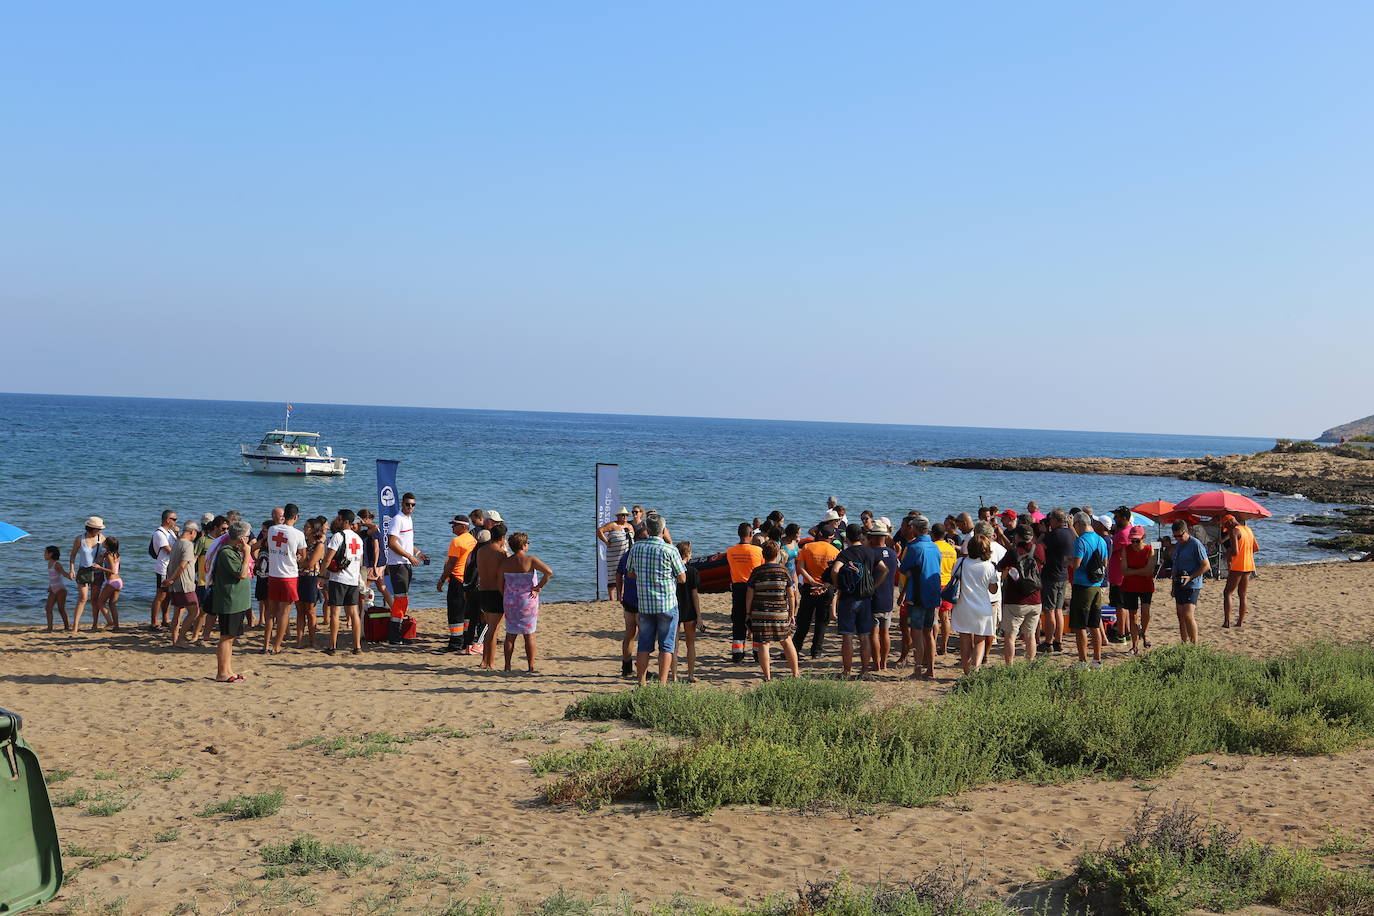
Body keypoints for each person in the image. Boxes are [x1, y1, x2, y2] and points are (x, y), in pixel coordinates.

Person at [625, 514, 686, 686]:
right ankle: (662, 684)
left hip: (645, 603)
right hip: (666, 603)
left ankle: (641, 682)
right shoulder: (670, 549)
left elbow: (629, 573)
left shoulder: (637, 547)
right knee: (666, 645)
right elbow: (682, 578)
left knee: (644, 644)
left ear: (646, 529)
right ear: (663, 530)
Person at [829, 523, 887, 678]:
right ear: (861, 536)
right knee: (864, 635)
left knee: (847, 636)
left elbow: (835, 569)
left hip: (848, 598)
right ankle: (864, 671)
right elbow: (884, 569)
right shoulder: (870, 552)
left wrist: (837, 585)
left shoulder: (846, 554)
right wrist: (874, 586)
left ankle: (847, 671)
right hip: (865, 598)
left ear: (846, 538)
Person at [498, 532, 553, 672]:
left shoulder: (505, 562)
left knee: (510, 634)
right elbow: (548, 572)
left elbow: (500, 583)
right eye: (527, 543)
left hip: (510, 600)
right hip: (528, 600)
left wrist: (506, 594)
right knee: (529, 634)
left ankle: (507, 666)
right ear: (523, 545)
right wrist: (538, 587)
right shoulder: (530, 560)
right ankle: (531, 666)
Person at [745, 541, 800, 680]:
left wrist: (748, 614)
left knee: (763, 643)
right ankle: (795, 673)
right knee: (787, 641)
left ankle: (767, 676)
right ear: (777, 554)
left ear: (763, 555)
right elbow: (791, 595)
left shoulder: (757, 572)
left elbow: (749, 596)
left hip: (760, 612)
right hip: (780, 613)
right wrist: (792, 614)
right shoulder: (784, 571)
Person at [949, 534, 1000, 674]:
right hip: (982, 607)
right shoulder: (989, 567)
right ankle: (975, 669)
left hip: (963, 606)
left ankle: (966, 671)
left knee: (964, 640)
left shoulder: (961, 562)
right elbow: (993, 589)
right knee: (980, 639)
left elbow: (954, 578)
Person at [210, 521, 254, 682]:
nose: (249, 540)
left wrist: (243, 552)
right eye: (248, 537)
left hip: (237, 601)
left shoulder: (235, 550)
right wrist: (247, 553)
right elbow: (241, 574)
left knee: (231, 637)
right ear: (242, 538)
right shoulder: (226, 552)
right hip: (229, 600)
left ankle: (228, 670)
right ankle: (222, 673)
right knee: (226, 637)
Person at [898, 517, 942, 680]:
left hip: (918, 594)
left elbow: (903, 568)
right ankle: (930, 669)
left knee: (916, 633)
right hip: (932, 593)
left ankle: (917, 669)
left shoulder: (914, 547)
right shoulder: (935, 547)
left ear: (915, 528)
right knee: (928, 633)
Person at [385, 493, 429, 645]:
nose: (410, 507)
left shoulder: (408, 519)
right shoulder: (397, 519)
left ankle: (397, 633)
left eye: (413, 505)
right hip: (398, 564)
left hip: (405, 563)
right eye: (407, 504)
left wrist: (417, 553)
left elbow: (406, 543)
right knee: (401, 599)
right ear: (401, 504)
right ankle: (394, 636)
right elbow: (392, 543)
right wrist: (409, 557)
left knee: (403, 599)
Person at [319, 509, 364, 655]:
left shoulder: (338, 536)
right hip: (353, 579)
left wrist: (321, 576)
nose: (336, 521)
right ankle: (357, 646)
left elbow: (327, 558)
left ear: (345, 521)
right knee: (354, 613)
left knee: (335, 613)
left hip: (339, 579)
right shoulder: (358, 539)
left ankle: (332, 646)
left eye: (338, 519)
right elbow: (360, 560)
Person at [1067, 511, 1109, 668]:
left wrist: (1068, 561)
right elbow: (1105, 563)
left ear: (1078, 523)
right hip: (1097, 586)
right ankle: (1097, 660)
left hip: (1082, 586)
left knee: (1080, 626)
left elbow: (1077, 564)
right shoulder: (1101, 540)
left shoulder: (1081, 541)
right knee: (1095, 624)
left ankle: (1083, 661)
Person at [997, 525, 1044, 664]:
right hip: (1035, 599)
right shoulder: (1039, 549)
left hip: (1015, 600)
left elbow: (1000, 566)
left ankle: (1010, 666)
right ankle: (1030, 663)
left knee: (1010, 636)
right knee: (1030, 635)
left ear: (1017, 536)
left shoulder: (1013, 551)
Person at [793, 520, 839, 659]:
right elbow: (835, 572)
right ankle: (816, 651)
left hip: (809, 587)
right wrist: (825, 584)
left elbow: (800, 568)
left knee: (803, 620)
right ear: (831, 538)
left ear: (819, 534)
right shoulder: (835, 551)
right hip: (826, 588)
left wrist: (812, 580)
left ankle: (796, 648)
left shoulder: (807, 547)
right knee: (821, 621)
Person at [264, 504, 306, 654]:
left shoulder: (272, 530)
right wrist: (298, 558)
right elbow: (303, 556)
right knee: (284, 612)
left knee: (270, 613)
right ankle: (276, 646)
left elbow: (271, 547)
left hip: (273, 574)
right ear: (296, 517)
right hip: (289, 576)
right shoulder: (298, 534)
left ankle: (266, 644)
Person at [437, 515, 478, 652]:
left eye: (454, 525)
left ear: (463, 527)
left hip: (457, 579)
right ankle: (466, 640)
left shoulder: (456, 541)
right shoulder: (473, 540)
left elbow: (451, 563)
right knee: (466, 612)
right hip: (469, 580)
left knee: (455, 612)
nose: (452, 527)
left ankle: (455, 643)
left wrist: (442, 579)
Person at [725, 523, 765, 662]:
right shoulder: (758, 551)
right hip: (754, 588)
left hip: (738, 588)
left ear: (738, 534)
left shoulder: (730, 551)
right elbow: (762, 568)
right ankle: (756, 653)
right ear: (751, 534)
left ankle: (737, 654)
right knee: (756, 621)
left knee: (738, 621)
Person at [1039, 510, 1074, 654]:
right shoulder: (1070, 533)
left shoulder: (1052, 535)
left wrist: (1042, 533)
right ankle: (1058, 640)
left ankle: (1048, 642)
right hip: (1063, 574)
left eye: (1050, 519)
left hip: (1051, 575)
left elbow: (1040, 546)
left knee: (1049, 610)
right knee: (1059, 610)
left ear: (1055, 520)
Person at [475, 523, 510, 668]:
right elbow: (504, 575)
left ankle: (484, 661)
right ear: (502, 537)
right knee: (493, 630)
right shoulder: (501, 553)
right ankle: (490, 663)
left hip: (483, 591)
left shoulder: (481, 551)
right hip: (496, 592)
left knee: (489, 626)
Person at [866, 522, 899, 670]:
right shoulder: (893, 554)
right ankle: (884, 663)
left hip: (874, 597)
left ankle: (876, 663)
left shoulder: (870, 553)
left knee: (874, 633)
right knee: (885, 632)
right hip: (888, 597)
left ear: (872, 537)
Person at [1171, 519, 1210, 644]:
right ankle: (1184, 643)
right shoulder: (1178, 545)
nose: (1178, 538)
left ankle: (1194, 646)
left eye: (1180, 535)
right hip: (1179, 583)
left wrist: (1191, 577)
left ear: (1186, 531)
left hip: (1192, 583)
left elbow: (1206, 566)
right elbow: (1175, 567)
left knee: (1188, 615)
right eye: (1175, 536)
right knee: (1180, 615)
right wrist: (1173, 586)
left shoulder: (1195, 544)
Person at [1120, 525, 1157, 653]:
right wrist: (1141, 571)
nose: (1134, 543)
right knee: (1132, 615)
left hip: (1146, 586)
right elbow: (1124, 571)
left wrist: (1132, 571)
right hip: (1129, 586)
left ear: (1143, 538)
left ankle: (1144, 632)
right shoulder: (1126, 550)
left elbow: (1149, 571)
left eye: (1137, 540)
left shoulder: (1149, 550)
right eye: (1132, 540)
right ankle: (1134, 645)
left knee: (1146, 611)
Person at [165, 521, 201, 648]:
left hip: (176, 583)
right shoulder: (188, 544)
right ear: (192, 532)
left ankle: (175, 640)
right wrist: (172, 579)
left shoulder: (177, 543)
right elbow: (182, 565)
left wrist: (170, 579)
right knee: (194, 611)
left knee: (178, 612)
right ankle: (180, 639)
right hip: (184, 583)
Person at [68, 517, 106, 633]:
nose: (99, 531)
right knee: (83, 598)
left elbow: (107, 554)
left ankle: (94, 625)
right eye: (98, 529)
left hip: (97, 572)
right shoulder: (80, 539)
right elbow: (73, 555)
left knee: (94, 599)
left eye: (100, 529)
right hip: (83, 571)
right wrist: (71, 570)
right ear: (91, 528)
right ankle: (75, 626)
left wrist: (101, 560)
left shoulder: (102, 538)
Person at [1220, 515, 1258, 628]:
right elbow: (1256, 548)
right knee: (1242, 594)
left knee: (1227, 593)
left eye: (1226, 526)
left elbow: (1235, 552)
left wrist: (1227, 553)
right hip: (1249, 565)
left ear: (1230, 522)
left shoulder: (1234, 532)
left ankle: (1226, 622)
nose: (1227, 529)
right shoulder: (1248, 530)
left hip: (1238, 566)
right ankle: (1240, 622)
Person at [674, 541, 701, 682]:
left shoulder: (673, 570)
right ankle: (690, 674)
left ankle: (674, 675)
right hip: (689, 609)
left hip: (675, 608)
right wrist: (699, 615)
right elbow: (694, 595)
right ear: (687, 554)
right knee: (690, 644)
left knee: (674, 644)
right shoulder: (692, 571)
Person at [148, 510, 179, 630]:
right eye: (174, 519)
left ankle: (165, 619)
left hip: (171, 567)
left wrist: (178, 533)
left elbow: (178, 543)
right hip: (163, 568)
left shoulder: (171, 532)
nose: (176, 521)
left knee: (169, 595)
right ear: (168, 520)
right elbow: (168, 549)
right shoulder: (159, 533)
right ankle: (154, 622)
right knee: (160, 595)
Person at [597, 508, 635, 601]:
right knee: (612, 575)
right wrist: (606, 542)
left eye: (626, 515)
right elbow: (599, 531)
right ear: (618, 516)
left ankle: (620, 597)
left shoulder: (629, 526)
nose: (624, 517)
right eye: (622, 515)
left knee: (624, 575)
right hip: (613, 555)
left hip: (626, 555)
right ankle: (611, 597)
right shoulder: (613, 525)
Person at [615, 543, 639, 678]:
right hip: (640, 601)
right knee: (643, 636)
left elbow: (618, 575)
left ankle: (626, 667)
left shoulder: (626, 555)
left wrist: (620, 593)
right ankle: (642, 668)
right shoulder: (642, 555)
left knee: (629, 634)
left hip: (628, 600)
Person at [91, 538, 123, 631]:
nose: (103, 542)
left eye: (105, 542)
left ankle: (110, 622)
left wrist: (99, 568)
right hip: (119, 581)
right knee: (112, 604)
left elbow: (112, 570)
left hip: (112, 582)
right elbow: (117, 568)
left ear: (108, 545)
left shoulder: (109, 555)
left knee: (100, 602)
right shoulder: (117, 554)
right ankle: (116, 626)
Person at [43, 546, 72, 632]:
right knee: (48, 608)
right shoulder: (49, 564)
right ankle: (49, 628)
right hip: (53, 589)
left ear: (50, 554)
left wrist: (70, 576)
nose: (44, 555)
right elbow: (53, 578)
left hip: (61, 589)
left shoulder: (57, 564)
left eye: (45, 553)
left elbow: (63, 573)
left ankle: (67, 627)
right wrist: (50, 586)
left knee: (61, 608)